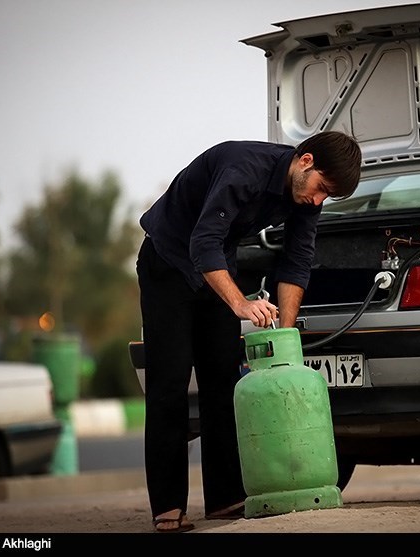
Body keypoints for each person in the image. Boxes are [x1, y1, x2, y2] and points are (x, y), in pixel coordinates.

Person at [136, 131, 362, 533]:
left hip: (216, 266)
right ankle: (168, 507)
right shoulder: (243, 170)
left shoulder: (305, 199)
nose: (318, 201)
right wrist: (240, 304)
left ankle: (223, 500)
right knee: (169, 385)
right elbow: (201, 241)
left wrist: (285, 338)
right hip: (167, 262)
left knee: (224, 384)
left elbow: (296, 263)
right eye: (321, 189)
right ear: (305, 161)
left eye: (328, 197)